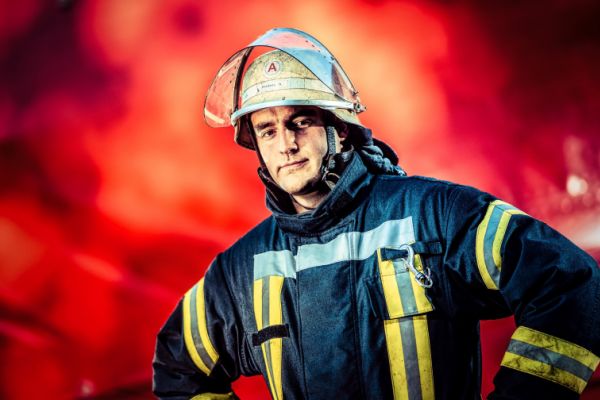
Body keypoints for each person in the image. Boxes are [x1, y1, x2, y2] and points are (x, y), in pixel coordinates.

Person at [152, 28, 600, 400]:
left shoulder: (434, 216)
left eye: (300, 122)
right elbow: (178, 364)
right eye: (267, 130)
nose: (285, 143)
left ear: (341, 131)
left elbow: (570, 285)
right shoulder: (239, 271)